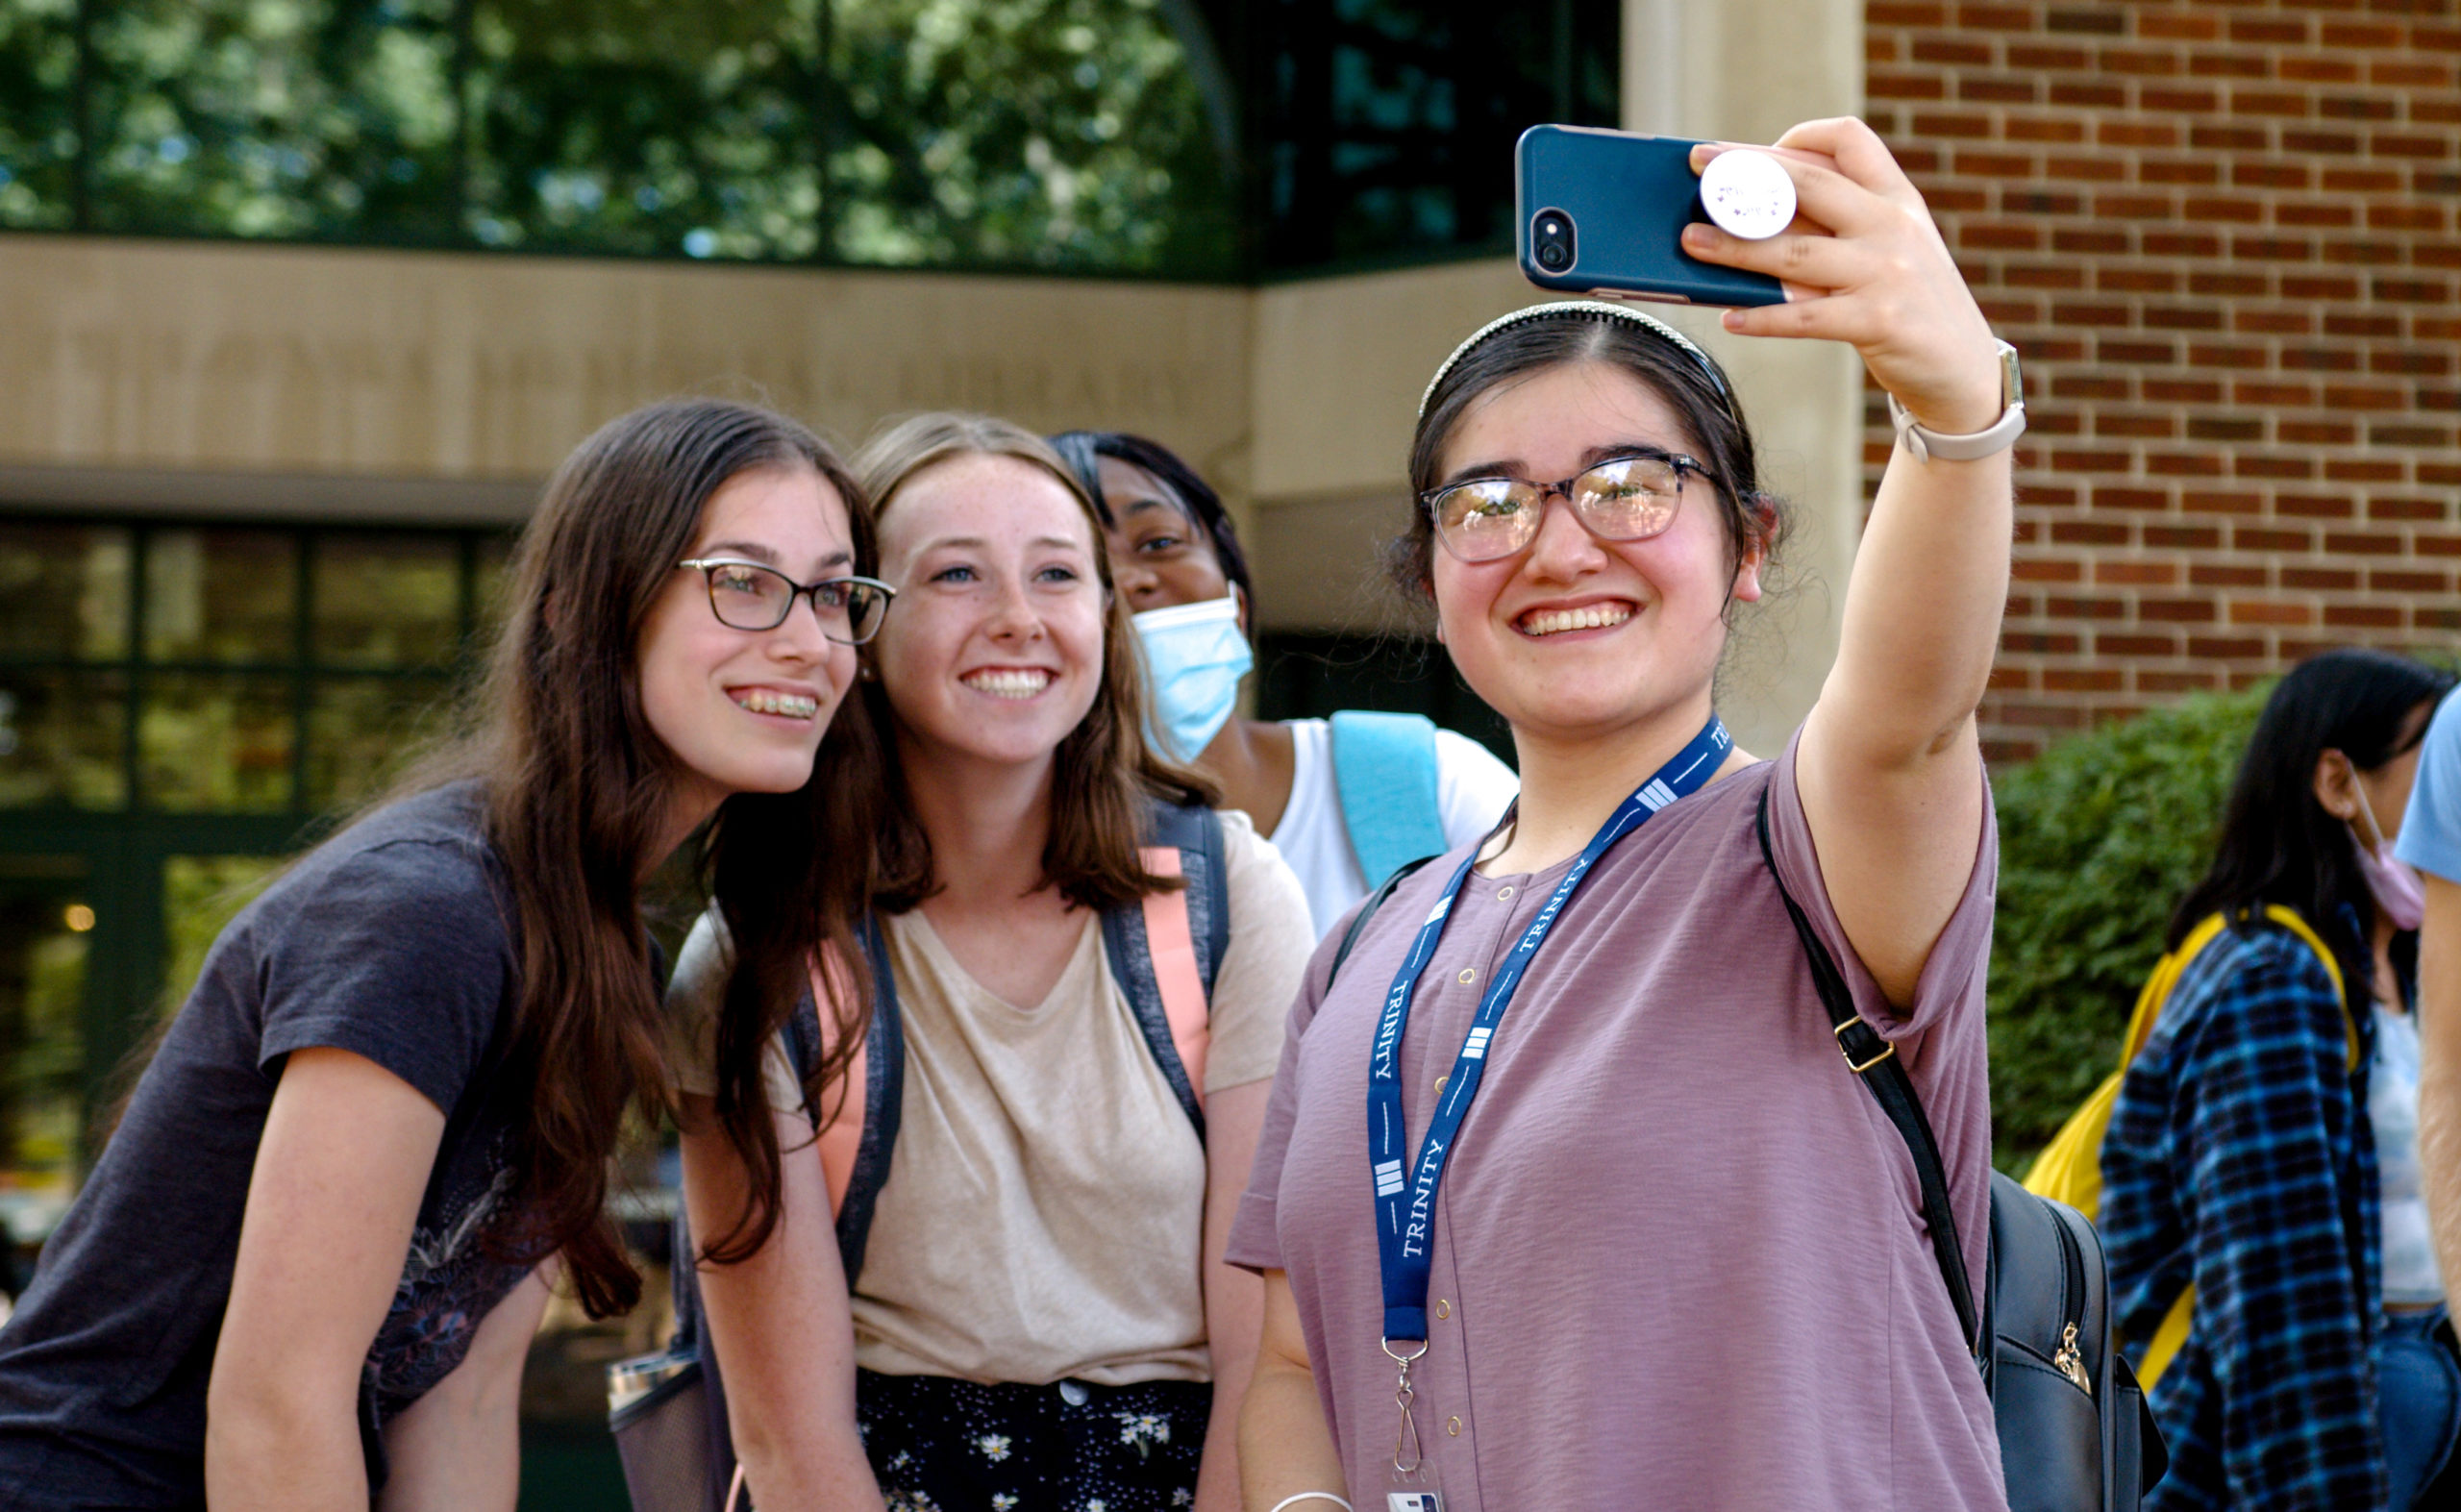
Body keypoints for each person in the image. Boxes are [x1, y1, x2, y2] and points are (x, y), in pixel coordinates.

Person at [1232, 119, 2017, 1510]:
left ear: (1750, 547)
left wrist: (1953, 411)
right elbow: (1298, 1360)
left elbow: (1912, 714)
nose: (1559, 541)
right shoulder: (1359, 951)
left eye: (1630, 485)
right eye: (1489, 502)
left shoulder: (1813, 858)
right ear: (1430, 573)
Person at [0, 398, 887, 1510]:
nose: (809, 640)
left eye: (834, 591)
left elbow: (458, 1398)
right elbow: (280, 1395)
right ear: (582, 613)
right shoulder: (429, 911)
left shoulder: (596, 936)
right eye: (743, 581)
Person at [669, 413, 1315, 1511]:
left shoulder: (1228, 896)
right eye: (957, 575)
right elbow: (786, 1436)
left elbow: (1270, 1364)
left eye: (1058, 574)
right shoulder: (758, 956)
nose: (1018, 620)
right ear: (858, 625)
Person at [2099, 648, 2461, 1509]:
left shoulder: (2403, 972)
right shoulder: (2271, 979)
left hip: (2407, 1400)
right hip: (2304, 1439)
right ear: (2338, 782)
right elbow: (2275, 1298)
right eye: (2434, 764)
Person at [1050, 430, 1519, 937]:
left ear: (1236, 607)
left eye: (1160, 542)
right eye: (1071, 567)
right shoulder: (1001, 859)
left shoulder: (1431, 786)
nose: (1127, 580)